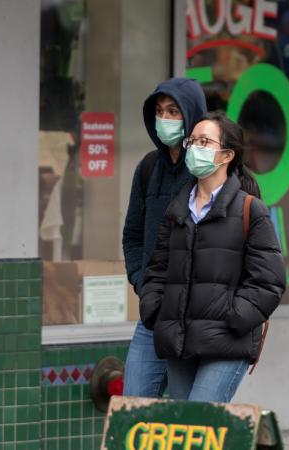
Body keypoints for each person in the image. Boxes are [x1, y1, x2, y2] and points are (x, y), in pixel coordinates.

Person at [139, 111, 286, 402]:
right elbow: (157, 271)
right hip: (180, 342)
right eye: (191, 142)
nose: (195, 149)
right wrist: (156, 311)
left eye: (205, 142)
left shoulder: (249, 210)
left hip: (226, 343)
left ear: (226, 155)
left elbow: (270, 281)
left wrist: (234, 318)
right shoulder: (178, 210)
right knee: (187, 432)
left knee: (201, 426)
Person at [122, 78, 207, 398]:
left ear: (192, 115)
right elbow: (132, 235)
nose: (165, 119)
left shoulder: (206, 169)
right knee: (133, 411)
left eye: (174, 111)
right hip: (153, 316)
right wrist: (143, 284)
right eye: (159, 111)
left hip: (195, 318)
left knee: (188, 422)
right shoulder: (147, 168)